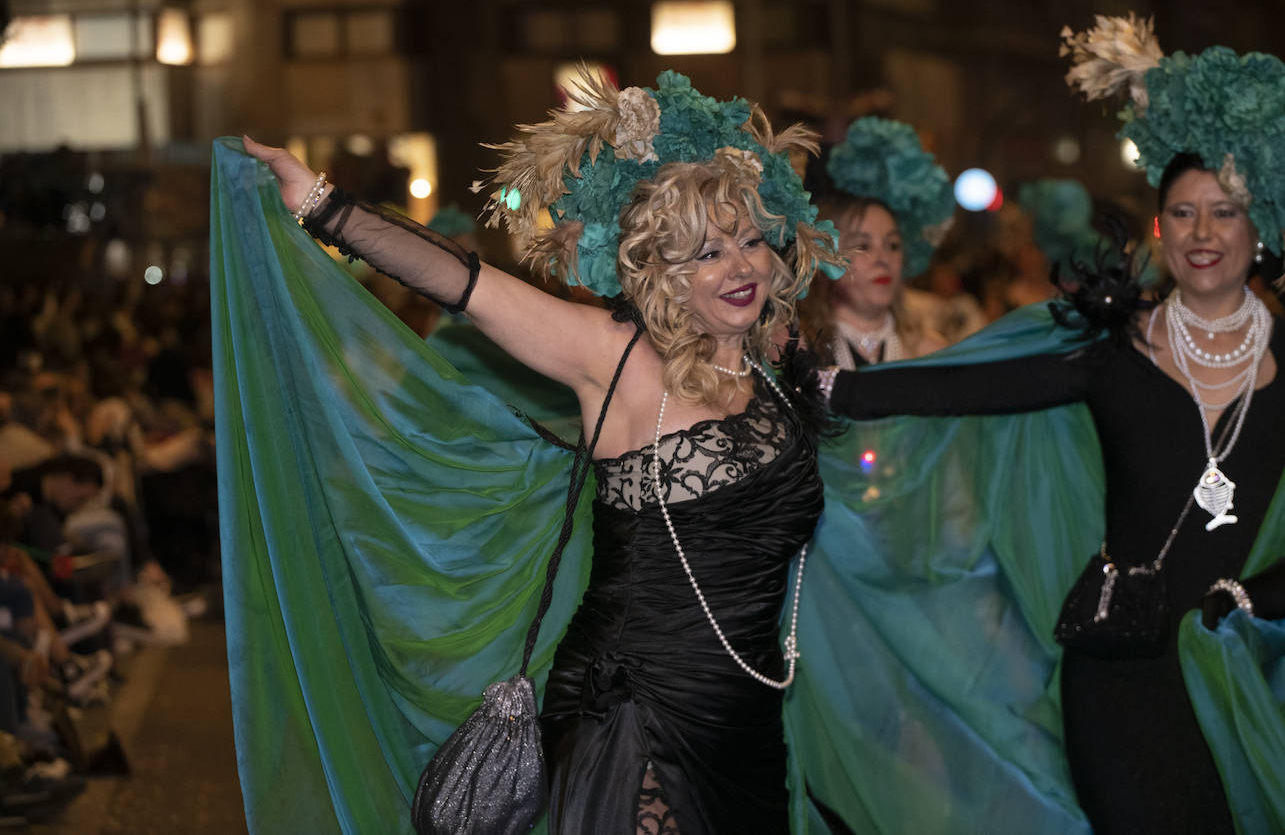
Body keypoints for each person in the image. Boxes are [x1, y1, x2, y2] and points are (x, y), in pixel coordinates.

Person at [240, 69, 845, 834]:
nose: (741, 267)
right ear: (659, 271)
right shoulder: (612, 356)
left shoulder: (771, 362)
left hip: (746, 723)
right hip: (635, 712)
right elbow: (465, 284)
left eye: (750, 241)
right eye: (705, 253)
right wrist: (321, 205)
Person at [820, 16, 1285, 832]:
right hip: (1118, 673)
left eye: (1224, 212)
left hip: (1248, 678)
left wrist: (1244, 602)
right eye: (1182, 213)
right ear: (1160, 227)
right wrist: (832, 391)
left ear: (1259, 229)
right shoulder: (1114, 347)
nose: (1202, 234)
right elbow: (975, 386)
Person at [800, 117, 953, 366]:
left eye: (893, 245)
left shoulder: (933, 354)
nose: (883, 259)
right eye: (863, 246)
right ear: (824, 254)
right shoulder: (797, 353)